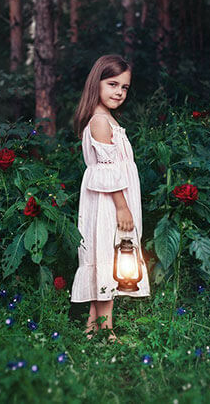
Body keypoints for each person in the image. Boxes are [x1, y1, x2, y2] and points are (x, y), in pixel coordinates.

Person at [69, 54, 150, 343]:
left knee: (110, 258)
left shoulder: (109, 120)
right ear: (97, 83)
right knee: (107, 258)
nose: (119, 92)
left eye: (125, 87)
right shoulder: (99, 122)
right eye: (113, 84)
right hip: (109, 204)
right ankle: (107, 329)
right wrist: (122, 206)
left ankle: (94, 325)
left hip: (114, 201)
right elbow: (107, 172)